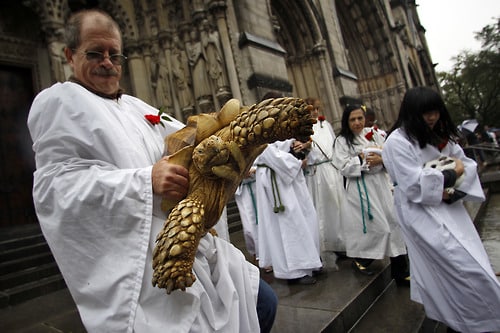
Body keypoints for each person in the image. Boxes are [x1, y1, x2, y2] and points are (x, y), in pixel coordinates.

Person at [27, 9, 277, 333]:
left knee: (262, 302)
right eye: (95, 53)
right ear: (69, 54)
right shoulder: (59, 102)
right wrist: (145, 181)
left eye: (115, 55)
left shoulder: (136, 106)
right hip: (139, 261)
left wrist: (233, 155)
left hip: (189, 241)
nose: (107, 62)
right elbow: (57, 188)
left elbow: (189, 141)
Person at [382, 87, 500, 333]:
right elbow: (414, 184)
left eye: (435, 111)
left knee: (474, 265)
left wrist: (454, 184)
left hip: (451, 210)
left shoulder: (441, 134)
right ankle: (465, 322)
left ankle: (475, 322)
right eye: (426, 113)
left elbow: (464, 163)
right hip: (421, 214)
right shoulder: (397, 141)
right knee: (458, 267)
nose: (432, 117)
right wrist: (449, 174)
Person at [332, 104, 408, 282]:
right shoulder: (342, 141)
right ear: (346, 121)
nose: (357, 122)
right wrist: (361, 159)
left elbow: (390, 155)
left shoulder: (375, 134)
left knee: (393, 224)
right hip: (361, 188)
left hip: (381, 185)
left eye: (360, 118)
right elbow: (342, 166)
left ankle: (401, 271)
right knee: (379, 227)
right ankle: (362, 258)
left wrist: (381, 159)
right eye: (353, 119)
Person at [255, 138, 323, 285]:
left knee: (306, 217)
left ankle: (310, 262)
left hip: (288, 177)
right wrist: (297, 162)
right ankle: (295, 271)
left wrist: (295, 145)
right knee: (289, 224)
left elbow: (281, 145)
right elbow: (268, 151)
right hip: (277, 180)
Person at [302, 97, 346, 266]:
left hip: (332, 169)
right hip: (318, 172)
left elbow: (334, 146)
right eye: (311, 109)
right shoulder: (304, 129)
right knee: (323, 208)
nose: (315, 112)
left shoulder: (325, 125)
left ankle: (341, 242)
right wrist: (307, 148)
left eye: (317, 109)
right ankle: (327, 243)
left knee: (338, 206)